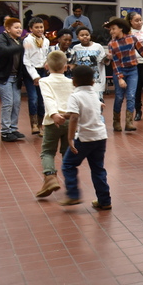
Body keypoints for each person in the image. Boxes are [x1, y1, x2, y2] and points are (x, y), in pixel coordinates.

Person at [59, 65, 111, 209]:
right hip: (100, 136)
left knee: (68, 165)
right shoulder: (93, 93)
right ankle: (104, 201)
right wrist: (66, 115)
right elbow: (85, 110)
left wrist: (70, 139)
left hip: (84, 138)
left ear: (73, 81)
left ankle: (73, 195)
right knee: (98, 169)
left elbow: (75, 117)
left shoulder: (75, 96)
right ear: (93, 82)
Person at [105, 18, 143, 132]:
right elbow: (115, 62)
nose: (111, 31)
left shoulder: (132, 38)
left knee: (131, 96)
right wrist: (120, 78)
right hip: (119, 70)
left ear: (121, 28)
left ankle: (129, 122)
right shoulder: (112, 44)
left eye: (113, 29)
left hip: (132, 70)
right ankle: (116, 122)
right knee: (119, 97)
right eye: (110, 29)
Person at [35, 51, 74, 198]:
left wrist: (54, 114)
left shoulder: (44, 81)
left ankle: (50, 177)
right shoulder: (71, 82)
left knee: (48, 152)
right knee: (66, 151)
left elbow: (48, 98)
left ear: (46, 66)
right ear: (66, 67)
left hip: (53, 121)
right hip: (70, 120)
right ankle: (71, 183)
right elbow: (81, 95)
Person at [0, 17, 26, 142]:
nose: (19, 30)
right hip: (5, 77)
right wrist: (22, 47)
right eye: (16, 27)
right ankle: (5, 132)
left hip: (16, 78)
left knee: (16, 103)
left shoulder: (18, 41)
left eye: (20, 27)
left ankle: (13, 129)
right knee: (8, 103)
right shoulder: (1, 38)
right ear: (8, 29)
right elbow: (3, 51)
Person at [22, 17, 50, 136]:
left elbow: (46, 55)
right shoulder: (27, 41)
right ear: (30, 29)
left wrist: (47, 63)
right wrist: (35, 76)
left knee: (42, 99)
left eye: (41, 27)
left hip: (43, 71)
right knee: (33, 98)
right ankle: (33, 124)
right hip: (31, 73)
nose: (39, 29)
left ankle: (41, 125)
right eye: (36, 27)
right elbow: (26, 60)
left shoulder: (46, 40)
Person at [70, 26, 106, 102]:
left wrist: (108, 57)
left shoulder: (98, 47)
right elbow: (73, 64)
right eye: (82, 35)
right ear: (77, 37)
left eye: (87, 35)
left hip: (96, 81)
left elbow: (104, 61)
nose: (85, 37)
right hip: (81, 82)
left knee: (97, 103)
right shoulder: (76, 48)